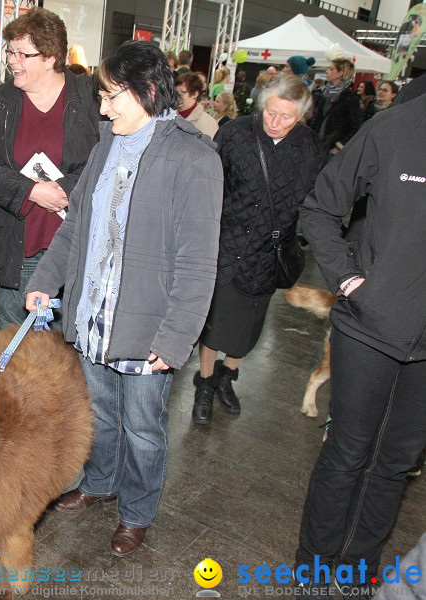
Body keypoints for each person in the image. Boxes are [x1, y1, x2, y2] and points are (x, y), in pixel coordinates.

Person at [25, 40, 222, 558]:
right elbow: (77, 228)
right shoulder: (107, 144)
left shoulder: (194, 158)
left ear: (149, 92)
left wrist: (176, 337)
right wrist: (46, 279)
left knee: (143, 429)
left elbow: (199, 263)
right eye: (102, 96)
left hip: (146, 328)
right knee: (102, 415)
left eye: (112, 96)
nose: (103, 107)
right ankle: (99, 482)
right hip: (94, 317)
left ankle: (136, 513)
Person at [294, 93, 426, 599]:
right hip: (368, 327)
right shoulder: (396, 127)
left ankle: (356, 572)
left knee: (394, 462)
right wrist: (351, 281)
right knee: (347, 453)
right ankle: (312, 570)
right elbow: (320, 207)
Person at [192, 75, 325, 425]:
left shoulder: (311, 147)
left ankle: (227, 376)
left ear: (302, 116)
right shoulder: (236, 132)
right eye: (271, 112)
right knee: (214, 323)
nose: (276, 122)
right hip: (226, 245)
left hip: (269, 252)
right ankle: (205, 381)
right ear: (262, 104)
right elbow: (210, 184)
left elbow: (314, 201)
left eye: (287, 117)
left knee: (249, 327)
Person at [0, 7, 100, 329]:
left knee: (66, 349)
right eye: (10, 51)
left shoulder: (88, 98)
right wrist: (32, 190)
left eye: (22, 53)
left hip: (72, 243)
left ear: (50, 58)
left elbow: (103, 158)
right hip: (18, 245)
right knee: (15, 342)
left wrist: (66, 190)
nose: (11, 60)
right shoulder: (1, 100)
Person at [309, 57, 362, 156]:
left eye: (331, 69)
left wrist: (339, 147)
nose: (327, 71)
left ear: (340, 73)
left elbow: (355, 126)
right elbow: (317, 119)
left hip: (333, 149)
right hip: (317, 145)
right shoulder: (325, 94)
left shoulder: (349, 98)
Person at [175, 71, 218, 139]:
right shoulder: (168, 117)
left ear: (195, 94)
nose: (178, 96)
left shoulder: (207, 123)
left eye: (183, 92)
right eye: (176, 92)